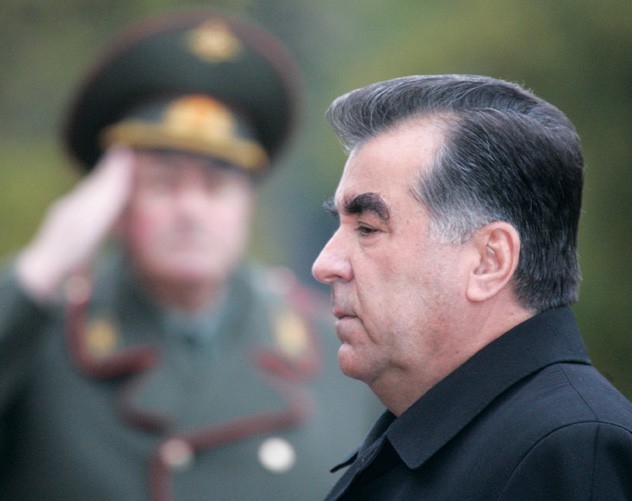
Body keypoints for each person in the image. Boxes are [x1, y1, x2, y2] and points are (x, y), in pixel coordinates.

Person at [0, 9, 379, 500]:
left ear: (248, 203)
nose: (191, 210)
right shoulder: (40, 345)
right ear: (116, 203)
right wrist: (44, 264)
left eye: (216, 186)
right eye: (163, 184)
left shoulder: (336, 356)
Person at [312, 74, 632, 500]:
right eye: (340, 225)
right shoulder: (452, 441)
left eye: (367, 228)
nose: (325, 265)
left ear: (489, 261)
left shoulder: (573, 453)